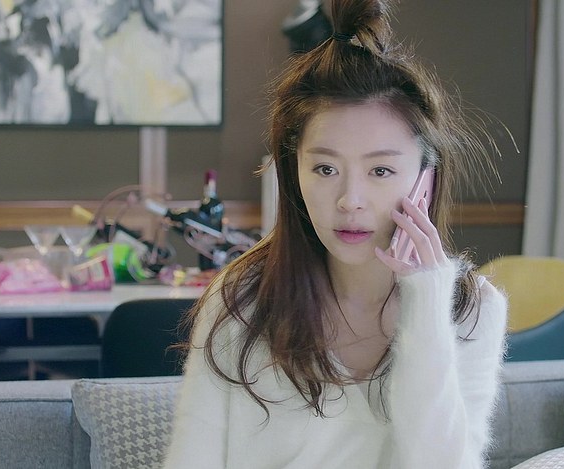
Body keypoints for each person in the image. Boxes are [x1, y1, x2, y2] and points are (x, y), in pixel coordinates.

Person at [163, 0, 507, 467]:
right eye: (325, 168)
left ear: (424, 179)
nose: (350, 200)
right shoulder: (243, 299)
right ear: (294, 171)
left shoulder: (469, 310)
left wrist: (426, 303)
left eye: (381, 170)